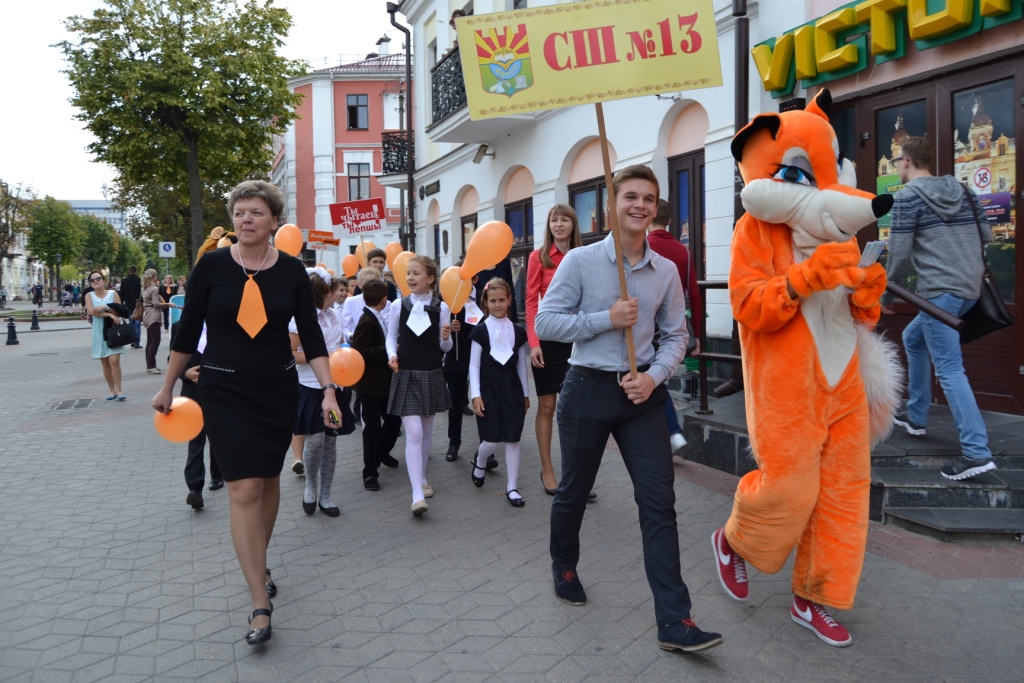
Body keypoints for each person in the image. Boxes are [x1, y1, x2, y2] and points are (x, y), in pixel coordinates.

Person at [535, 165, 722, 652]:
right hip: (587, 388)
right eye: (630, 196)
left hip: (642, 397)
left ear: (656, 208)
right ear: (611, 205)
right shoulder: (580, 261)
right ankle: (564, 565)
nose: (640, 205)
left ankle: (675, 620)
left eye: (648, 198)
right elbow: (546, 322)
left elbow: (677, 336)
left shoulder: (665, 271)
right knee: (574, 491)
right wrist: (606, 318)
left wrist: (655, 376)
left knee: (659, 503)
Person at [152, 180, 341, 646]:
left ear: (274, 219)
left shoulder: (292, 271)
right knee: (243, 488)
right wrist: (167, 385)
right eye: (239, 213)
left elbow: (311, 336)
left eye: (256, 212)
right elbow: (187, 331)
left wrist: (329, 391)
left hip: (276, 389)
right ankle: (259, 601)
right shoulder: (213, 266)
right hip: (223, 390)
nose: (246, 219)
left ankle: (259, 560)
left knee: (269, 480)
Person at [882, 136, 995, 480]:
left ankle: (976, 451)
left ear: (905, 161)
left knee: (949, 369)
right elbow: (987, 235)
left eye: (896, 161)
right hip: (970, 289)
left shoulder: (907, 197)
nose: (896, 166)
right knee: (914, 338)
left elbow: (899, 255)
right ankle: (916, 415)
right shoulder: (963, 191)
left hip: (938, 294)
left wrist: (886, 295)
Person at [386, 255, 453, 516]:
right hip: (405, 374)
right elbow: (391, 336)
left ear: (430, 278)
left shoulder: (441, 307)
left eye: (416, 273)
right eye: (408, 273)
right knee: (413, 432)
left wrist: (446, 337)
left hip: (431, 373)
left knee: (425, 432)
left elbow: (445, 347)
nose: (410, 278)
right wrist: (392, 355)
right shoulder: (397, 305)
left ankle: (422, 477)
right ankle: (417, 495)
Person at [527, 204, 582, 493]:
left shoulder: (583, 255)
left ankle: (574, 475)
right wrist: (534, 343)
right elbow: (530, 302)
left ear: (573, 225)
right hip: (547, 339)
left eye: (564, 220)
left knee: (576, 408)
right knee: (547, 405)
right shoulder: (538, 257)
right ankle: (547, 470)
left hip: (577, 336)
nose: (559, 224)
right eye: (554, 220)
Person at [290, 268, 354, 517]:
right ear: (324, 292)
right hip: (309, 386)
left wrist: (344, 354)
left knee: (330, 439)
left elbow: (339, 344)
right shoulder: (299, 318)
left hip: (335, 387)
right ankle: (310, 486)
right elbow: (290, 354)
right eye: (333, 288)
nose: (338, 292)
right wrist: (323, 357)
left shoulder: (334, 315)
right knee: (315, 439)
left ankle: (326, 495)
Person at [646, 199, 704, 455]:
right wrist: (697, 334)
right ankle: (669, 433)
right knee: (658, 377)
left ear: (650, 217)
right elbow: (695, 294)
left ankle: (671, 432)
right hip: (674, 324)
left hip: (646, 325)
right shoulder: (683, 251)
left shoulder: (643, 246)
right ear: (670, 220)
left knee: (654, 379)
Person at [470, 278, 530, 507]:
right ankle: (480, 460)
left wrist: (525, 394)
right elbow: (474, 365)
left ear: (509, 300)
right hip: (488, 388)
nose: (497, 305)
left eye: (501, 300)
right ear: (486, 302)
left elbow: (521, 365)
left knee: (513, 437)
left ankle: (512, 487)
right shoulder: (480, 330)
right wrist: (475, 395)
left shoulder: (518, 331)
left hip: (511, 387)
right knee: (491, 440)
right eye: (493, 301)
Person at [350, 279, 402, 490]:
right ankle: (370, 472)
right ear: (384, 299)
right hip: (370, 385)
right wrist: (387, 350)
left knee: (393, 421)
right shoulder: (367, 321)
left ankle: (381, 452)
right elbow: (359, 351)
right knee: (371, 428)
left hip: (384, 383)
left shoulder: (377, 316)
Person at [173, 319, 224, 510]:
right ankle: (195, 488)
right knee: (195, 441)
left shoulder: (221, 322)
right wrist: (186, 373)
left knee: (216, 436)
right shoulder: (180, 326)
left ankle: (217, 475)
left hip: (218, 391)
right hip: (192, 394)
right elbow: (173, 358)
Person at [84, 270, 127, 401]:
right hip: (99, 331)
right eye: (92, 280)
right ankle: (111, 390)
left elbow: (120, 311)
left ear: (103, 280)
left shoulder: (113, 294)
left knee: (114, 361)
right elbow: (92, 311)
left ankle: (119, 390)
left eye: (98, 278)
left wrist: (106, 307)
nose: (95, 281)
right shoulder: (89, 296)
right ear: (90, 283)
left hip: (114, 330)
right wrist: (109, 314)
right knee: (105, 363)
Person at [141, 269, 178, 374]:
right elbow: (156, 304)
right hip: (153, 315)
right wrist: (168, 304)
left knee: (150, 341)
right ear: (153, 276)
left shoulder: (144, 287)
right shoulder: (153, 288)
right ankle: (151, 366)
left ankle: (150, 364)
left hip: (146, 314)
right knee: (155, 341)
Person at [341, 267, 385, 341]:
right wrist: (351, 335)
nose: (371, 286)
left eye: (374, 282)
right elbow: (345, 326)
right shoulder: (351, 301)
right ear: (359, 285)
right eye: (367, 282)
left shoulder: (385, 302)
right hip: (358, 340)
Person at [120, 268, 141, 350]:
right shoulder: (139, 280)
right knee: (137, 324)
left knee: (131, 323)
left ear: (129, 271)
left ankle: (132, 340)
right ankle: (136, 343)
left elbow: (122, 294)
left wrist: (121, 304)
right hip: (138, 305)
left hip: (128, 304)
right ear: (136, 271)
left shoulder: (124, 281)